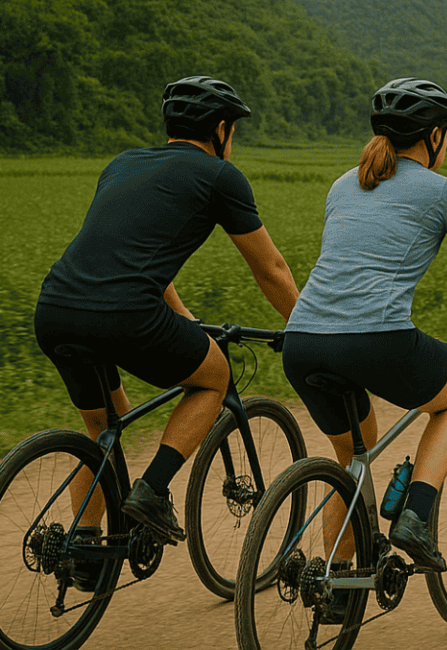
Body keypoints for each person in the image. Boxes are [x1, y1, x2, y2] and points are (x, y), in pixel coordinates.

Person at [283, 77, 447, 575]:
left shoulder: (343, 185)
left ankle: (335, 582)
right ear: (433, 136)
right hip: (376, 340)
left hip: (301, 341)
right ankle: (416, 517)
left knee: (352, 460)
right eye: (446, 134)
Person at [34, 75, 299, 572]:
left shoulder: (124, 162)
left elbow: (135, 257)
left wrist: (185, 320)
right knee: (214, 377)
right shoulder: (220, 176)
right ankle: (152, 491)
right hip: (125, 314)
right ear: (221, 129)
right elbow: (272, 269)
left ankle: (84, 548)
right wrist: (310, 326)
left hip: (56, 309)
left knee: (104, 428)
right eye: (233, 128)